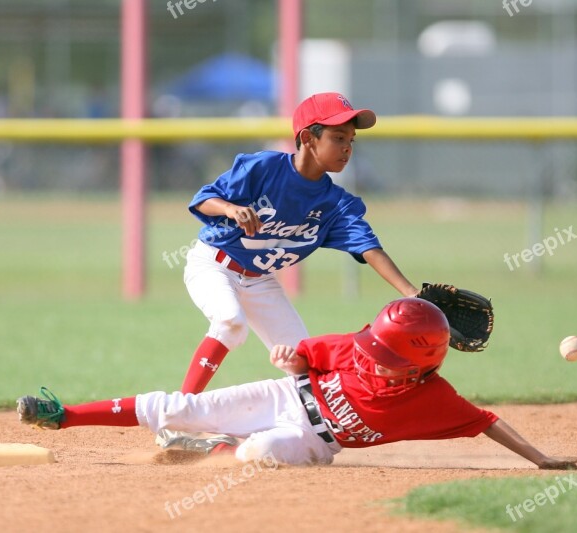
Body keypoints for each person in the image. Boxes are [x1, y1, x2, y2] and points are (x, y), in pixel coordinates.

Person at [17, 298, 577, 469]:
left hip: (315, 442)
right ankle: (62, 413)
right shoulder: (355, 346)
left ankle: (220, 447)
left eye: (384, 355)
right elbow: (305, 359)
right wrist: (290, 360)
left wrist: (542, 460)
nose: (369, 354)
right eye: (373, 345)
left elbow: (487, 423)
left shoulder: (437, 401)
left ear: (421, 367)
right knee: (179, 407)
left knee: (257, 454)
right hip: (284, 394)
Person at [178, 92, 418, 396]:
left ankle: (304, 432)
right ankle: (179, 412)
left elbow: (370, 249)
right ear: (308, 138)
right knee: (230, 322)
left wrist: (413, 295)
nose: (347, 148)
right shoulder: (264, 168)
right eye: (338, 137)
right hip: (214, 265)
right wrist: (229, 208)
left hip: (260, 281)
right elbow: (202, 200)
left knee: (303, 360)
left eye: (351, 141)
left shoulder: (337, 204)